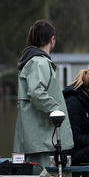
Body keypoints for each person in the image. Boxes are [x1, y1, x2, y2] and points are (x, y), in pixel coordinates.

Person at [13, 20, 73, 167]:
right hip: (41, 141)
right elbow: (36, 91)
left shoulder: (32, 61)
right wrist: (55, 110)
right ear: (52, 40)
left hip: (37, 139)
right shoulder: (39, 62)